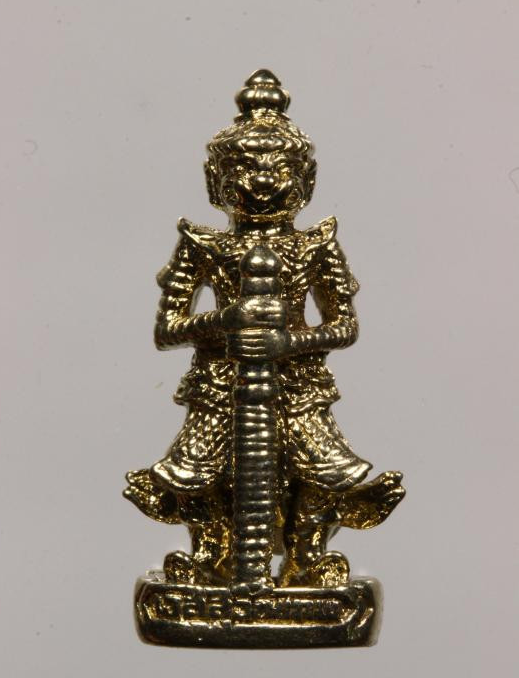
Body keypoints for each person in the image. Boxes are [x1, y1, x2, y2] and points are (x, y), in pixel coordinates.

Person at [124, 70, 404, 586]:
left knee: (320, 470)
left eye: (278, 169)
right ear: (215, 180)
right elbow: (168, 329)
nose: (261, 182)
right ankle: (210, 558)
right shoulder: (202, 246)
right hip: (219, 382)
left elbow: (344, 326)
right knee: (198, 473)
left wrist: (288, 342)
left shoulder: (315, 246)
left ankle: (306, 558)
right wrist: (224, 320)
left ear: (307, 180)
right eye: (245, 169)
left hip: (298, 384)